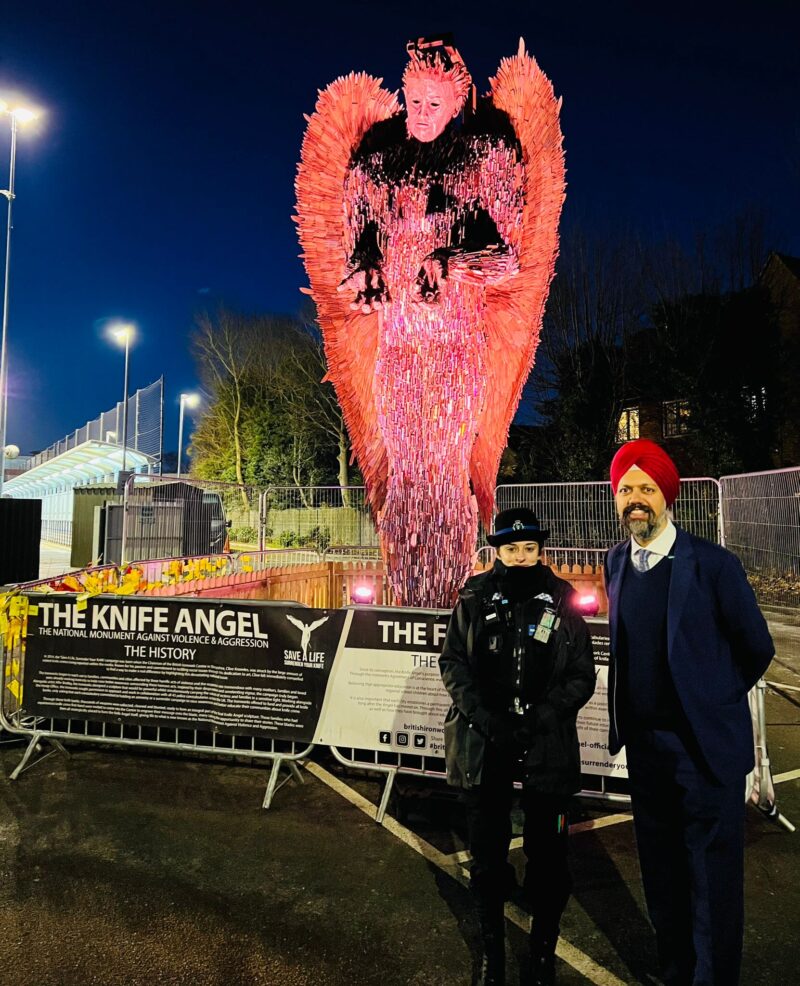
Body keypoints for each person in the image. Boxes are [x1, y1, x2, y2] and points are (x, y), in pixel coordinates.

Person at [605, 439, 774, 986]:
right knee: (661, 872)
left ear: (667, 495)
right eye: (625, 489)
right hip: (646, 752)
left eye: (646, 489)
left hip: (704, 754)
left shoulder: (713, 565)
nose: (635, 499)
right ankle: (675, 972)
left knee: (713, 882)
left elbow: (756, 648)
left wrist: (712, 701)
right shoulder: (615, 562)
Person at [440, 508, 595, 986]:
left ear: (540, 549)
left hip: (547, 748)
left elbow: (581, 675)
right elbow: (453, 664)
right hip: (486, 746)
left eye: (529, 548)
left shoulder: (563, 600)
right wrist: (488, 720)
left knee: (548, 859)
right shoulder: (474, 594)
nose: (522, 557)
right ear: (497, 550)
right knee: (487, 856)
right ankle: (493, 957)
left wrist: (542, 718)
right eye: (511, 549)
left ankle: (542, 955)